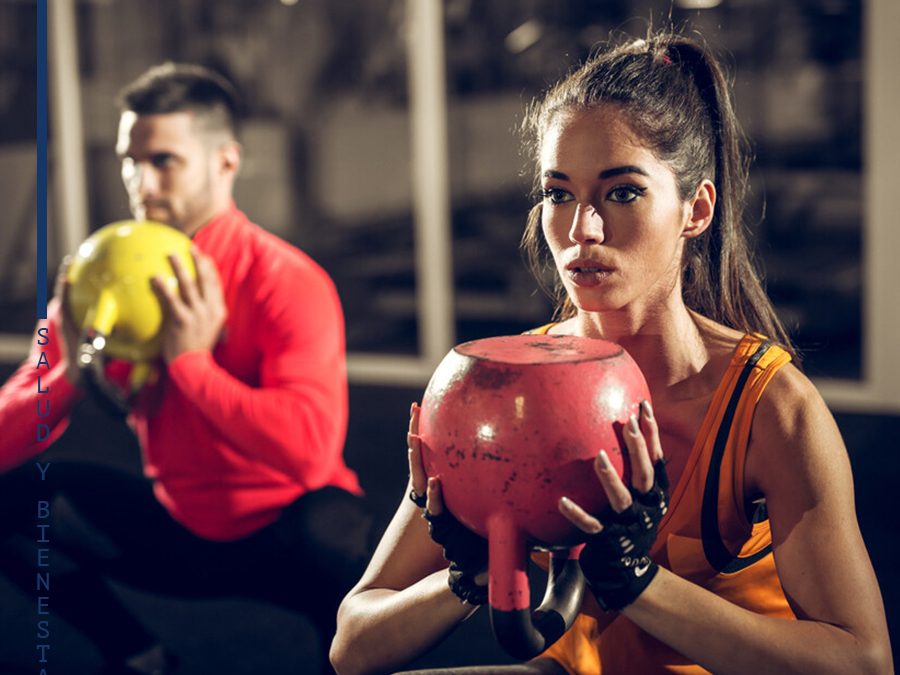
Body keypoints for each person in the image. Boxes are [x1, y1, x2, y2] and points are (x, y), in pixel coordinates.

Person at [329, 32, 893, 675]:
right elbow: (355, 644)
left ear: (696, 210)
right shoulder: (501, 393)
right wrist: (472, 574)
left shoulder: (770, 408)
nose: (581, 230)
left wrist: (636, 579)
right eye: (559, 193)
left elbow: (863, 663)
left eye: (622, 192)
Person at [0, 62, 372, 674]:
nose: (140, 183)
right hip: (174, 525)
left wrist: (192, 365)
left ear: (226, 161)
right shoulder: (103, 277)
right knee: (13, 505)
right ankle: (143, 660)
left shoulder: (286, 280)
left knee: (338, 537)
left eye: (163, 161)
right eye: (129, 159)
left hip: (284, 534)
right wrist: (69, 370)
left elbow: (309, 452)